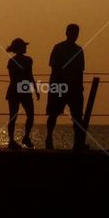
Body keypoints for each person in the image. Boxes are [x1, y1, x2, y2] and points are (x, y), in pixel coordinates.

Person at [46, 23, 86, 151]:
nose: (75, 35)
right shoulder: (58, 48)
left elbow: (80, 71)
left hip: (73, 87)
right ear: (67, 32)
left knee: (77, 116)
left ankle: (78, 142)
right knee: (53, 114)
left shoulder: (79, 50)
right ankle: (49, 138)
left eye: (76, 33)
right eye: (73, 32)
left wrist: (79, 86)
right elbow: (55, 68)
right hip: (59, 85)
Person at [5, 37, 38, 149]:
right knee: (25, 115)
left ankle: (19, 139)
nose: (26, 47)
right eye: (24, 46)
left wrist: (34, 89)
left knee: (16, 115)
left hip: (16, 89)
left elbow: (27, 76)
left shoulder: (13, 61)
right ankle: (17, 139)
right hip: (21, 90)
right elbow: (29, 76)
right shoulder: (27, 60)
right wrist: (34, 89)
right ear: (20, 48)